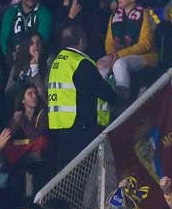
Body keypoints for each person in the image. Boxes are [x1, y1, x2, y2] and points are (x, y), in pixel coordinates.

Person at [46, 24, 119, 167]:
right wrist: (118, 99)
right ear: (81, 41)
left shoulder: (58, 61)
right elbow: (101, 89)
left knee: (67, 175)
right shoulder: (79, 62)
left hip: (61, 127)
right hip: (80, 128)